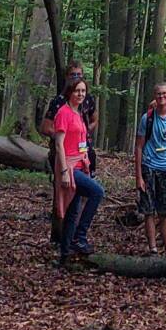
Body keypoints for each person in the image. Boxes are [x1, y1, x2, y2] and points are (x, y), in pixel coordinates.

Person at [41, 62, 99, 241]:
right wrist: (64, 133)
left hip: (85, 155)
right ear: (67, 77)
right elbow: (45, 127)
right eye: (73, 75)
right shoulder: (59, 102)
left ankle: (73, 239)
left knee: (81, 197)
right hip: (64, 157)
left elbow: (95, 119)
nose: (76, 78)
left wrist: (83, 131)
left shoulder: (87, 99)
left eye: (79, 75)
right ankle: (61, 238)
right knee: (65, 199)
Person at [53, 75, 105, 266]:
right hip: (69, 166)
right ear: (70, 92)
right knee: (97, 192)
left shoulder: (79, 112)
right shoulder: (63, 113)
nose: (80, 94)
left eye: (83, 91)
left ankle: (65, 254)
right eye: (77, 91)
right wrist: (64, 171)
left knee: (73, 211)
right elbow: (59, 144)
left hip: (81, 165)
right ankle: (79, 237)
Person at [134, 81, 166, 258]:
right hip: (149, 166)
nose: (162, 97)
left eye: (165, 94)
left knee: (165, 211)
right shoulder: (146, 118)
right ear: (154, 97)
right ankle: (153, 249)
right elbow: (139, 146)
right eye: (158, 94)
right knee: (148, 210)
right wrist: (138, 176)